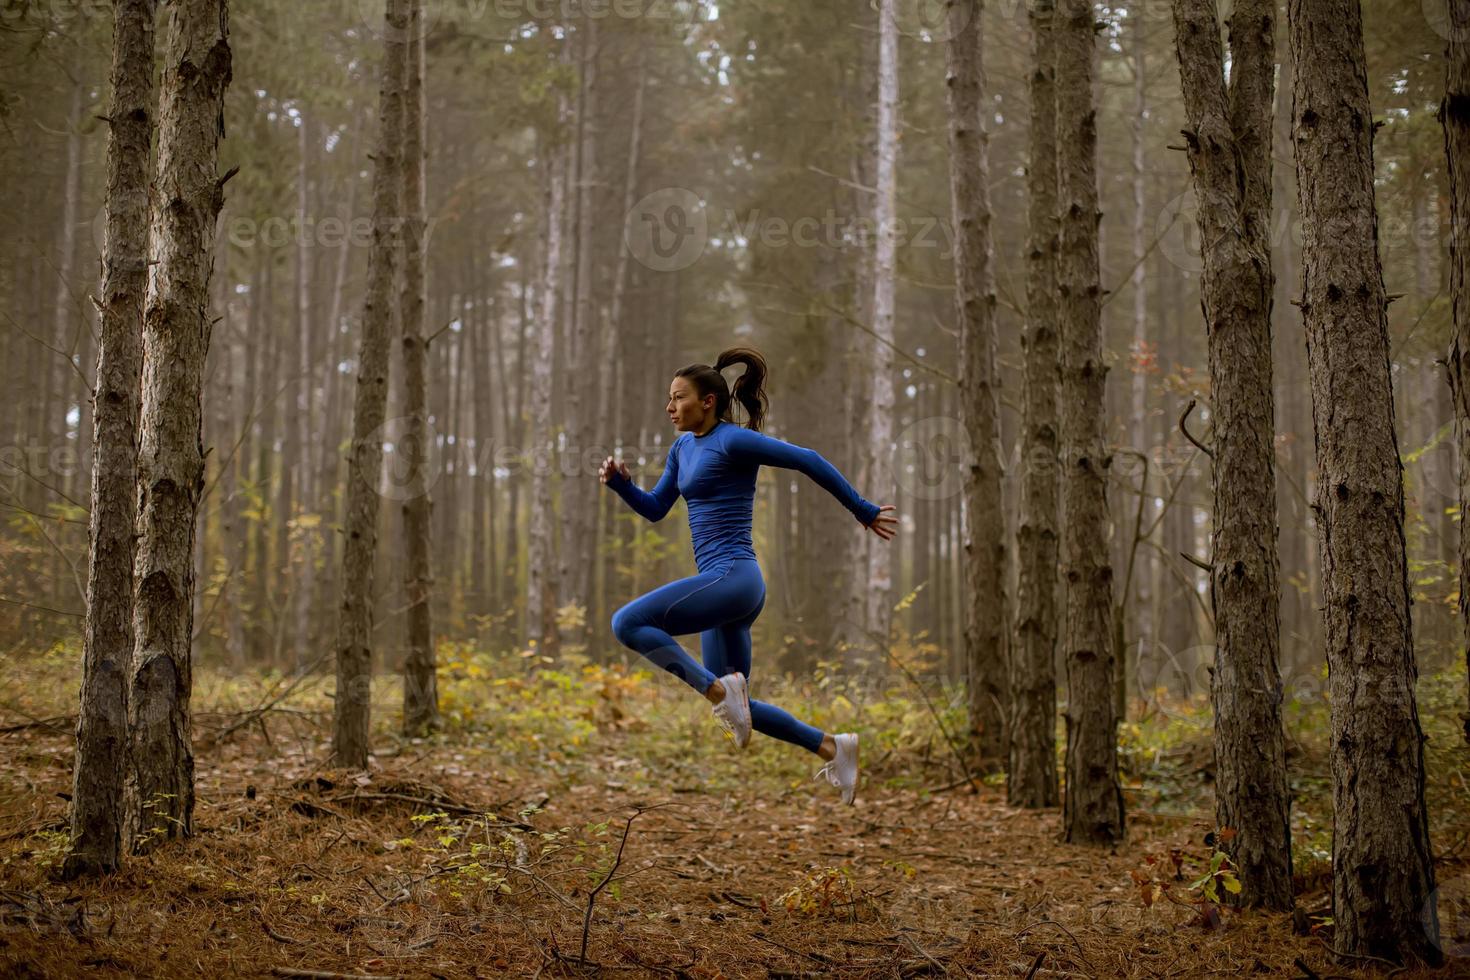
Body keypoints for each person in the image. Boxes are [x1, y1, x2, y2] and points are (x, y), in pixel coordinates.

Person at [600, 346, 897, 805]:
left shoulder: (732, 440)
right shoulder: (682, 447)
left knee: (629, 624)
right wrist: (623, 486)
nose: (670, 407)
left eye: (678, 398)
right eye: (669, 398)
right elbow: (657, 509)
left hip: (734, 577)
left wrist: (862, 509)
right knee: (738, 706)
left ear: (708, 402)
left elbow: (808, 458)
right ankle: (833, 747)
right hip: (728, 591)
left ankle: (720, 690)